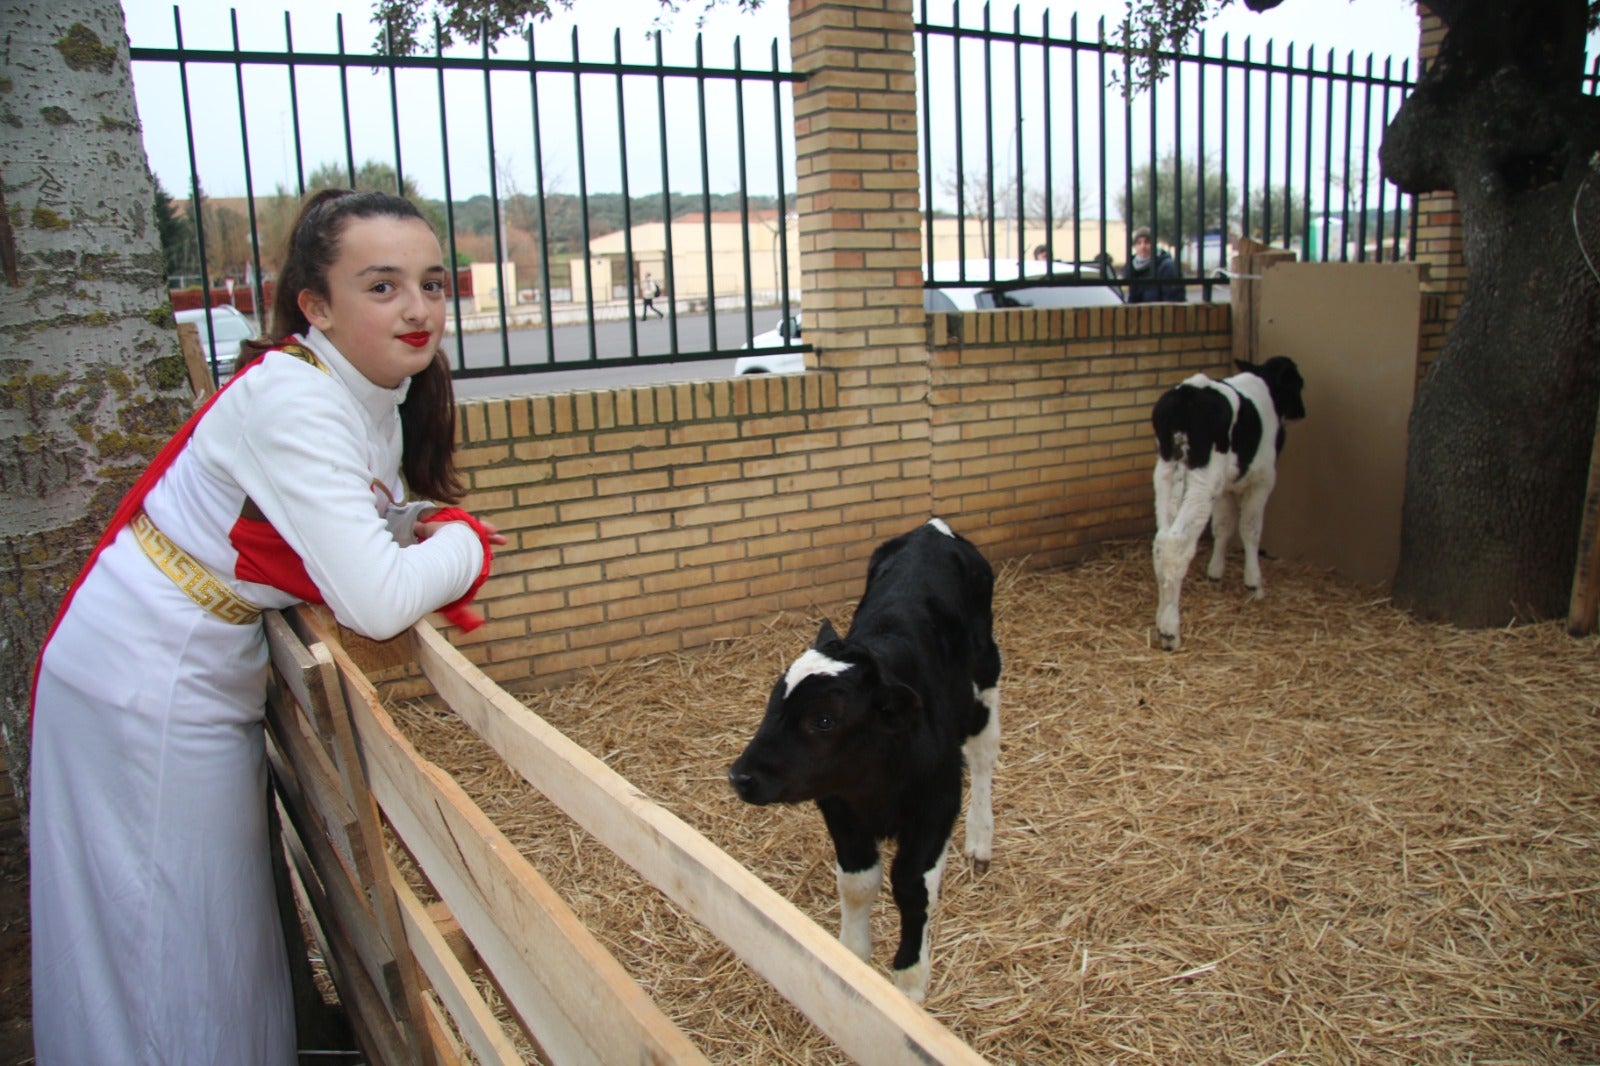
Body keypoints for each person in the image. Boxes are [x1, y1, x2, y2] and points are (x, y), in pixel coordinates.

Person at [29, 188, 506, 1066]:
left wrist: (421, 531)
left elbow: (365, 527)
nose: (418, 308)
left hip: (196, 659)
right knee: (165, 936)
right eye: (383, 286)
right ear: (314, 306)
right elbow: (372, 598)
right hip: (147, 682)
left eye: (432, 284)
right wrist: (466, 546)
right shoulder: (296, 400)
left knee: (215, 927)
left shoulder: (360, 390)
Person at [1122, 225, 1186, 303]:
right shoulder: (1133, 268)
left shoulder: (1167, 267)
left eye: (1147, 242)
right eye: (1139, 243)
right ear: (1135, 246)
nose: (1143, 246)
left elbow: (1173, 300)